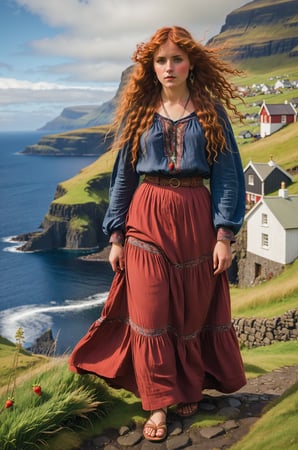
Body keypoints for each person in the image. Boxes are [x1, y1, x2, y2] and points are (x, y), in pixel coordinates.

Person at [69, 25, 246, 442]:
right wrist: (115, 237)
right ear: (150, 67)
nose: (169, 67)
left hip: (195, 219)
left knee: (188, 313)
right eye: (161, 60)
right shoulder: (140, 114)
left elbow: (228, 176)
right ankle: (158, 403)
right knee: (149, 316)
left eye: (176, 59)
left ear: (190, 63)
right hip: (145, 218)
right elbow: (122, 178)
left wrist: (224, 235)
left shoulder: (210, 112)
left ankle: (187, 388)